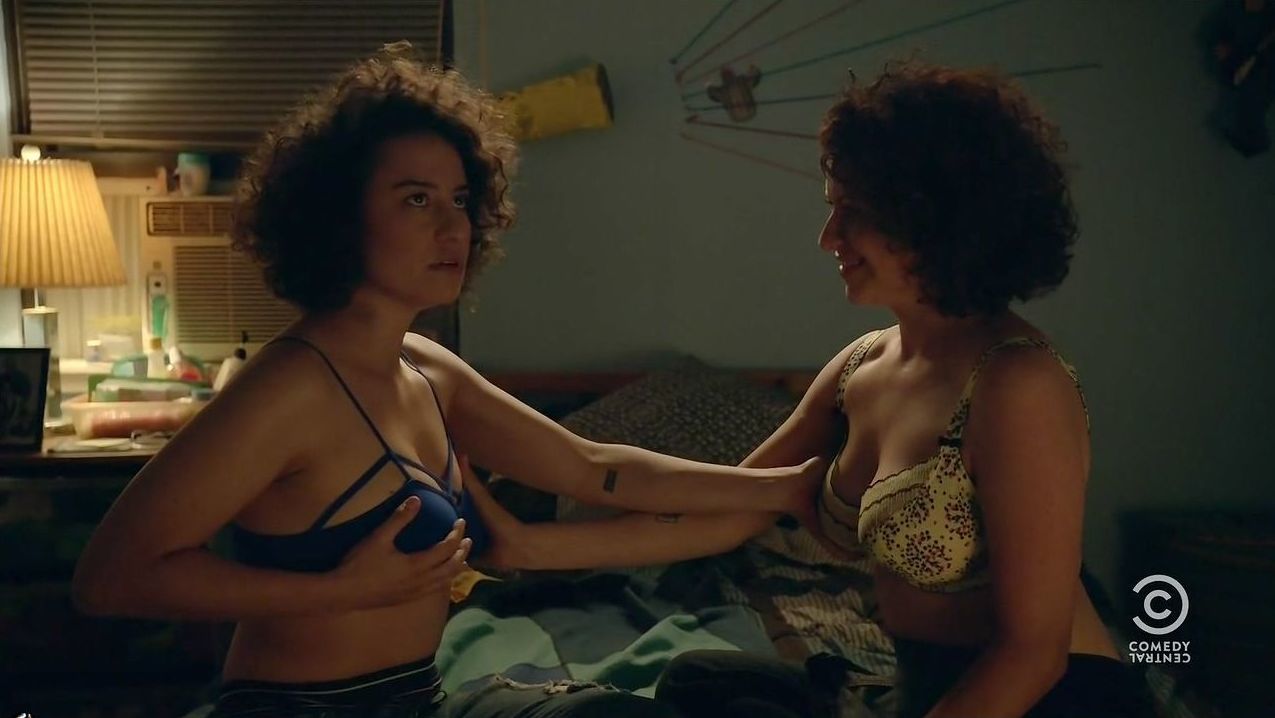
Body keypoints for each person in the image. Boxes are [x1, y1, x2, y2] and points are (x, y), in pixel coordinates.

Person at [71, 42, 823, 718]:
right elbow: (111, 580)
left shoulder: (426, 369)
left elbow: (593, 468)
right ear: (339, 216)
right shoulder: (289, 387)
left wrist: (783, 487)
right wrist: (338, 592)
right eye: (416, 200)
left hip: (420, 697)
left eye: (460, 200)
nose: (453, 227)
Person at [471, 62, 1156, 718]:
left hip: (1040, 700)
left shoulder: (1017, 384)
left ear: (933, 218)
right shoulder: (861, 367)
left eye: (853, 213)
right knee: (700, 681)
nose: (828, 238)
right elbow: (732, 510)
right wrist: (528, 545)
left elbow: (1032, 654)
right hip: (919, 687)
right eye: (833, 209)